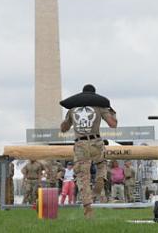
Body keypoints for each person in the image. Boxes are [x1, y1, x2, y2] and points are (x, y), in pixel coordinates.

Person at [58, 84, 118, 218]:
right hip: (96, 142)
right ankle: (100, 178)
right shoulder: (100, 107)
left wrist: (67, 120)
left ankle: (87, 207)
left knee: (82, 176)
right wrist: (112, 112)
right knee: (102, 163)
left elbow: (64, 129)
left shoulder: (72, 109)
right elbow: (113, 124)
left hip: (80, 144)